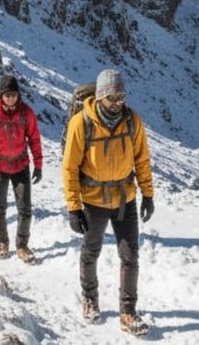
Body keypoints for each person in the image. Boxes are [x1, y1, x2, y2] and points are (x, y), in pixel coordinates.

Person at [62, 69, 153, 336]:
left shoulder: (132, 121)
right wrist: (73, 207)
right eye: (112, 97)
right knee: (91, 252)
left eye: (121, 96)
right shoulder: (81, 123)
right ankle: (90, 299)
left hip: (125, 199)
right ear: (101, 96)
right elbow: (69, 168)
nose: (117, 102)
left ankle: (128, 311)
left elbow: (142, 160)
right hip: (93, 201)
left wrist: (148, 194)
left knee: (130, 256)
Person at [0, 75, 44, 263]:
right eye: (7, 95)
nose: (11, 99)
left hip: (20, 165)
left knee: (25, 209)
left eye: (14, 95)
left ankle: (22, 246)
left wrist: (38, 165)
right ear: (1, 95)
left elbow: (34, 139)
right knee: (0, 207)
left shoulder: (26, 113)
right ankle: (2, 242)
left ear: (18, 95)